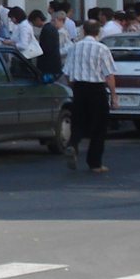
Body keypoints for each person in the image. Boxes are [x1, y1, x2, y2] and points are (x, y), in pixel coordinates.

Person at [62, 19, 116, 172]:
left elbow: (66, 73)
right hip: (96, 89)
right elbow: (109, 75)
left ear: (84, 31)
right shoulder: (102, 49)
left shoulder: (74, 48)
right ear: (98, 32)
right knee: (99, 126)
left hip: (79, 88)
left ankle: (73, 144)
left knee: (78, 122)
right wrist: (113, 96)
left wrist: (73, 86)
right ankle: (95, 162)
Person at [31, 9, 61, 81]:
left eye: (33, 22)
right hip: (52, 63)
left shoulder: (47, 29)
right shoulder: (50, 27)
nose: (33, 25)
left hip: (48, 64)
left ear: (38, 19)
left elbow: (47, 47)